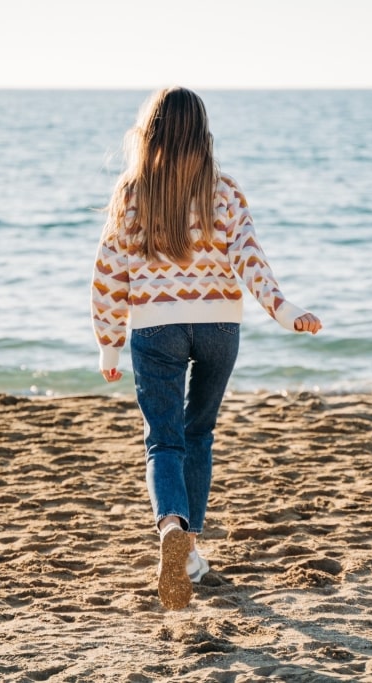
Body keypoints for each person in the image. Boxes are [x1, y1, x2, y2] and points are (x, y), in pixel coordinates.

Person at [90, 86, 321, 610]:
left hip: (156, 331)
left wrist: (109, 345)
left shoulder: (133, 193)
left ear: (149, 136)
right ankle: (189, 550)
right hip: (219, 328)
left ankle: (171, 526)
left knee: (163, 441)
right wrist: (284, 311)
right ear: (203, 135)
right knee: (200, 433)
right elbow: (250, 259)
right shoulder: (226, 191)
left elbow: (108, 273)